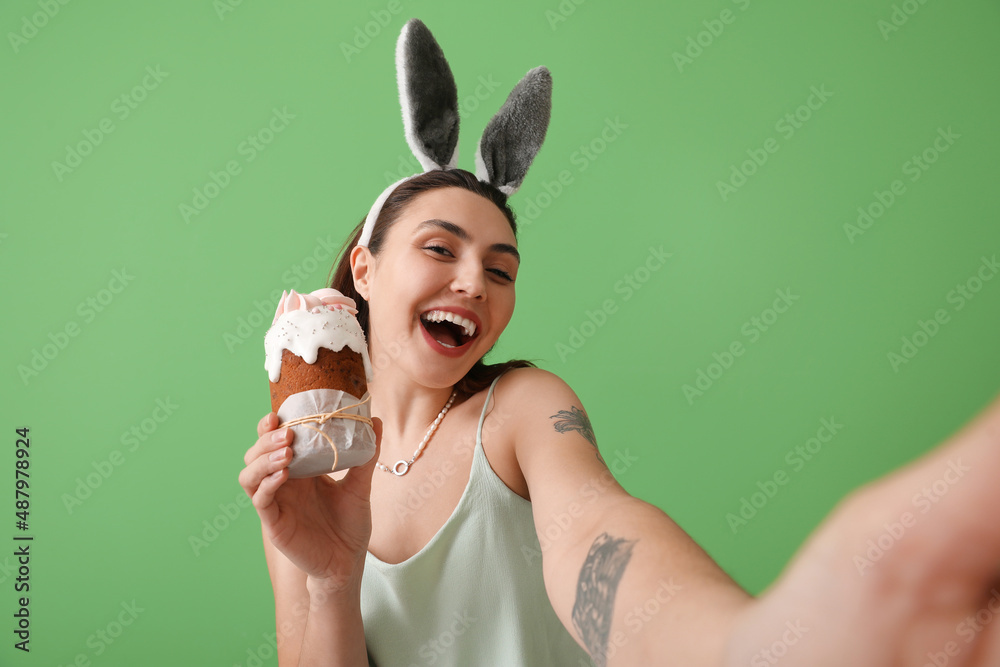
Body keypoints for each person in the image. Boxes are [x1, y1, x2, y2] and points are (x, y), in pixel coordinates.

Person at [240, 17, 1000, 667]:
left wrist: (740, 647)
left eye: (500, 269)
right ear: (365, 269)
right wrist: (332, 577)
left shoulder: (522, 409)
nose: (475, 282)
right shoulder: (302, 468)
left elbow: (594, 528)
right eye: (441, 250)